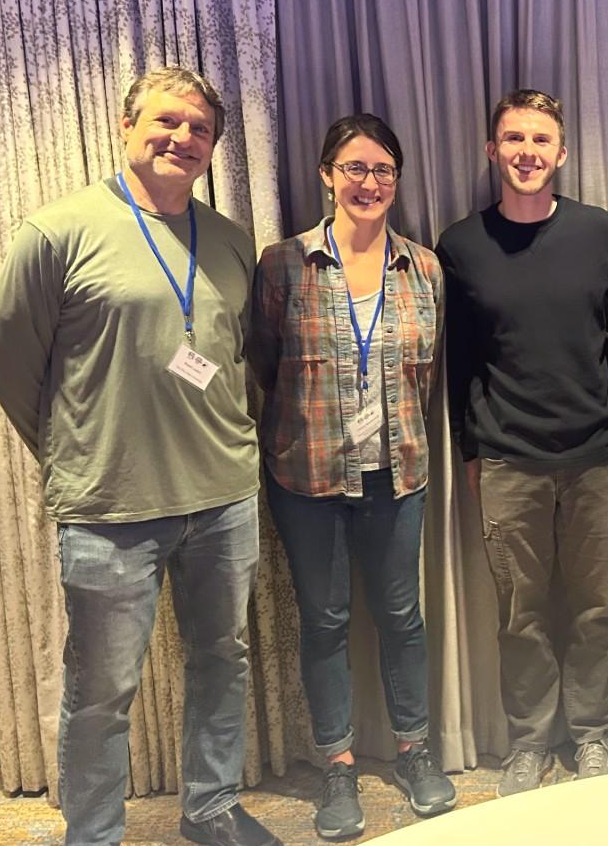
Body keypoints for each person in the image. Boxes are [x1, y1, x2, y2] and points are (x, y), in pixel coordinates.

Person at [0, 67, 278, 846]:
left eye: (200, 129)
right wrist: (81, 454)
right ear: (126, 126)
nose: (183, 137)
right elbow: (12, 370)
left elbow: (234, 353)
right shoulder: (57, 232)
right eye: (167, 122)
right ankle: (94, 835)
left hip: (222, 496)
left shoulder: (228, 241)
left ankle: (211, 809)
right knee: (102, 690)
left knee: (224, 662)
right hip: (111, 508)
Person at [250, 114, 454, 838]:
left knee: (402, 618)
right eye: (354, 168)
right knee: (326, 621)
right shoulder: (283, 264)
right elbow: (263, 366)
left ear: (397, 180)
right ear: (326, 175)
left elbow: (428, 375)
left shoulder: (423, 267)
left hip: (397, 476)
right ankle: (336, 766)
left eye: (383, 171)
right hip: (306, 480)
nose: (368, 183)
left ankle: (414, 750)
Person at [437, 90, 608, 795]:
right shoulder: (461, 245)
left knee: (593, 610)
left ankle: (593, 737)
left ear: (562, 152)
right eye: (514, 138)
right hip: (505, 459)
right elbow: (456, 361)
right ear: (493, 150)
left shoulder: (601, 233)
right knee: (521, 617)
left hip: (595, 458)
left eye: (541, 139)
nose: (527, 151)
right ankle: (528, 741)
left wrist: (602, 410)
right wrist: (468, 453)